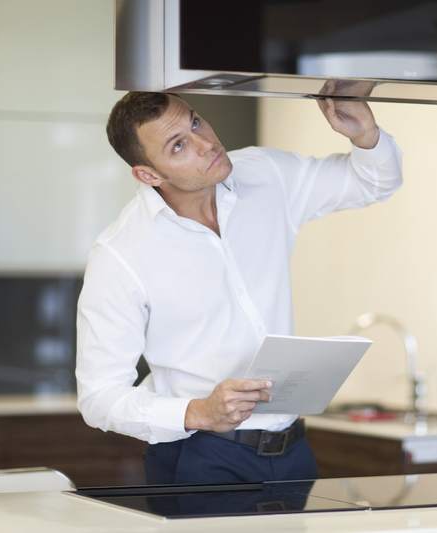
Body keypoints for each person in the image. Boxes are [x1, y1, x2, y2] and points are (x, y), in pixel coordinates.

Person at [76, 85, 403, 485]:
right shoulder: (120, 254)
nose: (205, 143)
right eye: (179, 146)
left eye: (196, 121)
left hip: (293, 452)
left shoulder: (265, 175)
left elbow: (373, 182)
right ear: (148, 174)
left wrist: (364, 134)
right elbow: (99, 398)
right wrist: (197, 411)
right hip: (198, 455)